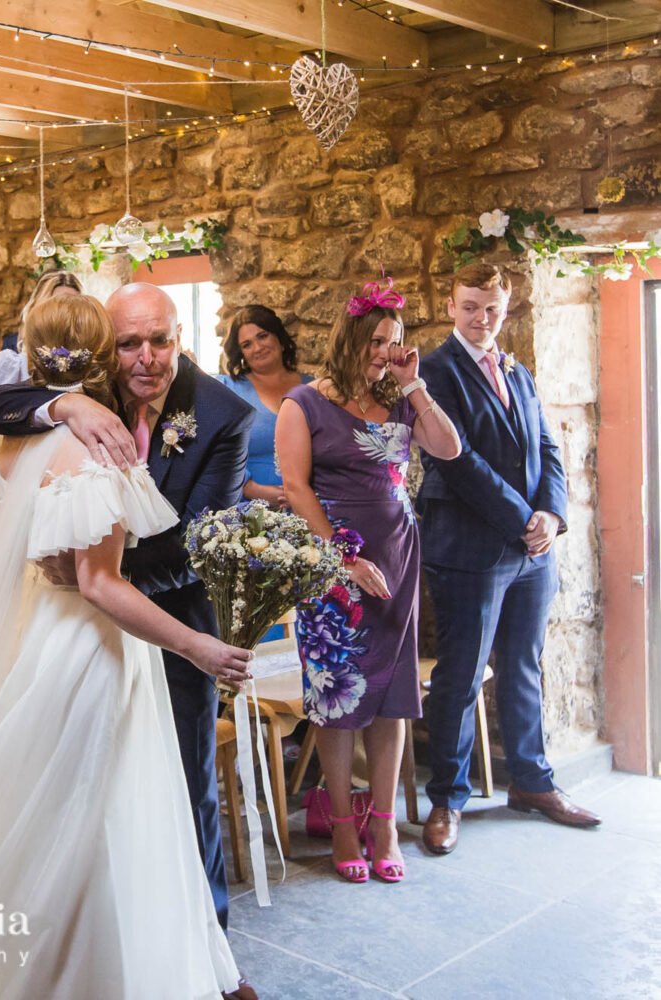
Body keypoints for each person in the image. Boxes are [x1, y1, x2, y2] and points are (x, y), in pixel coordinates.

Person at [0, 295, 248, 999]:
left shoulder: (218, 415)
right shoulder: (86, 440)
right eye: (127, 344)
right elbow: (98, 583)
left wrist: (99, 574)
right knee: (100, 815)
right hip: (95, 645)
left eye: (158, 342)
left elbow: (198, 539)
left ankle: (184, 947)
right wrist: (192, 643)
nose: (144, 359)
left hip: (52, 629)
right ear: (104, 354)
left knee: (152, 802)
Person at [276, 279, 460, 884]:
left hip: (398, 559)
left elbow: (449, 449)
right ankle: (345, 826)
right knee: (337, 698)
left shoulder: (402, 397)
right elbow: (297, 488)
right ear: (351, 338)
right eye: (378, 340)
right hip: (333, 567)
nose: (386, 350)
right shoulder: (303, 404)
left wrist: (414, 384)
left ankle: (383, 823)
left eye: (397, 341)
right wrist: (342, 558)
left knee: (392, 694)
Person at [417, 262, 600, 855]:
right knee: (461, 676)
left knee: (525, 666)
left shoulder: (515, 368)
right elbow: (458, 461)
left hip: (532, 550)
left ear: (507, 307)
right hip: (470, 548)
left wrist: (549, 515)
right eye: (470, 306)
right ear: (451, 306)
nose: (481, 319)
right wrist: (522, 519)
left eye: (492, 308)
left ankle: (531, 782)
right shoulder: (434, 372)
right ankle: (447, 797)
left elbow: (547, 443)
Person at [217, 304, 311, 509]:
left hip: (309, 503)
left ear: (279, 337)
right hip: (248, 507)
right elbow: (213, 451)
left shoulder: (313, 389)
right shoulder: (227, 390)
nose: (258, 348)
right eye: (247, 344)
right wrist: (251, 488)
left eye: (263, 336)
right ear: (240, 353)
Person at [0, 268, 82, 389]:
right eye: (57, 304)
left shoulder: (90, 366)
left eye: (74, 305)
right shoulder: (13, 364)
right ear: (38, 309)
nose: (66, 313)